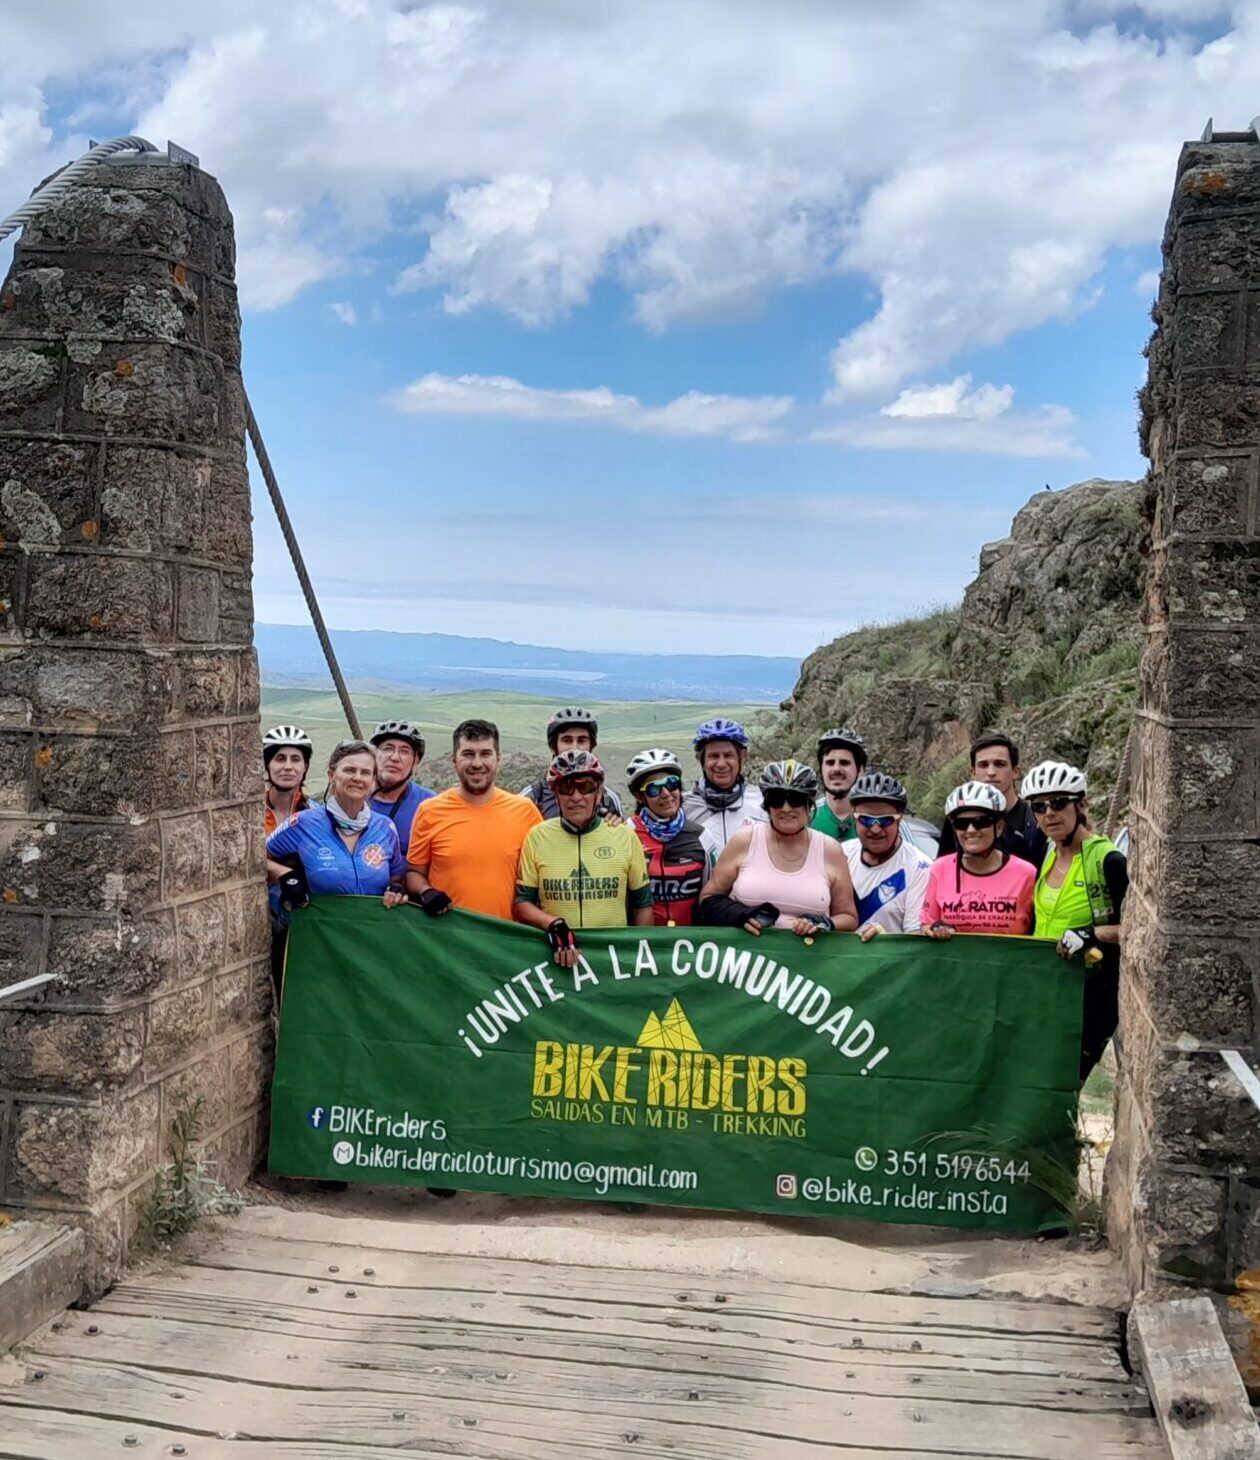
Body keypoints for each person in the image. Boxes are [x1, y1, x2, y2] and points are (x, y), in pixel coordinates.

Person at [1022, 760, 1127, 1081]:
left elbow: (1139, 931)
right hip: (1045, 989)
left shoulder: (1108, 860)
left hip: (1091, 993)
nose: (1049, 813)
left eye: (1058, 803)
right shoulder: (1047, 851)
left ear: (1081, 805)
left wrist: (1092, 934)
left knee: (1067, 1082)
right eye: (1039, 807)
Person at [514, 750, 652, 966]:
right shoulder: (537, 837)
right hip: (559, 957)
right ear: (556, 794)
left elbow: (642, 905)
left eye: (585, 787)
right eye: (566, 788)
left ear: (599, 792)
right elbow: (522, 903)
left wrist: (640, 956)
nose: (576, 797)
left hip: (613, 960)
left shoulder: (624, 836)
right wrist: (553, 924)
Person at [698, 761, 857, 937]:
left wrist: (825, 923)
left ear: (808, 804)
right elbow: (708, 899)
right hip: (749, 950)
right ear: (767, 806)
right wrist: (739, 914)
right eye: (777, 800)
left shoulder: (830, 850)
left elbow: (849, 917)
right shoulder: (744, 840)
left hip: (809, 951)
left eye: (795, 800)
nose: (786, 808)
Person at [405, 719, 542, 921]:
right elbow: (413, 873)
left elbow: (544, 873)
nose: (477, 763)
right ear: (454, 760)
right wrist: (426, 891)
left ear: (498, 759)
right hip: (449, 933)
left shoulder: (525, 811)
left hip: (507, 934)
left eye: (485, 754)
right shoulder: (430, 811)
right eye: (468, 754)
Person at [265, 739, 409, 907]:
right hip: (321, 923)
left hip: (372, 922)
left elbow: (396, 878)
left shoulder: (385, 827)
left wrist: (396, 891)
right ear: (331, 775)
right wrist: (284, 874)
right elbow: (257, 857)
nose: (357, 778)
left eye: (365, 773)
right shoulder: (302, 823)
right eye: (349, 770)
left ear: (372, 781)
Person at [922, 781, 1036, 938]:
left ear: (999, 827)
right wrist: (935, 929)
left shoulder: (1026, 874)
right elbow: (926, 925)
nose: (970, 830)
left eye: (981, 822)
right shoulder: (939, 868)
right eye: (961, 824)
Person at [625, 748, 718, 925]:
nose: (666, 794)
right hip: (643, 939)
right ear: (639, 796)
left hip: (690, 939)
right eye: (654, 789)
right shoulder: (627, 833)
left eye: (671, 783)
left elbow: (713, 896)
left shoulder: (702, 837)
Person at [843, 772, 932, 940]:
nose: (875, 829)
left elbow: (914, 937)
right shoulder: (841, 855)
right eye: (866, 820)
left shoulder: (920, 868)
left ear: (900, 818)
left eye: (885, 821)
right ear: (853, 817)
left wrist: (885, 939)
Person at [935, 734, 1047, 868]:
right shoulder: (958, 819)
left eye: (1000, 764)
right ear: (973, 772)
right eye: (983, 765)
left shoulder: (1036, 819)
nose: (991, 772)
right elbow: (945, 868)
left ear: (1016, 771)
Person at [521, 707, 623, 821]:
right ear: (553, 747)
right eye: (567, 740)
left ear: (591, 746)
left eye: (582, 741)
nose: (575, 748)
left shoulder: (609, 800)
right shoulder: (532, 797)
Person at [682, 718, 767, 854]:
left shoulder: (762, 803)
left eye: (728, 755)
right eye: (713, 756)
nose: (721, 764)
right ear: (701, 760)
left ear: (742, 757)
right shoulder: (685, 807)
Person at [367, 719, 436, 851]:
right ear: (374, 755)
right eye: (388, 749)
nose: (395, 757)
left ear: (416, 761)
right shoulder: (354, 798)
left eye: (404, 751)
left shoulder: (430, 804)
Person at [811, 726, 867, 842]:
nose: (836, 769)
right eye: (830, 763)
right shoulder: (807, 817)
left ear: (860, 770)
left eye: (844, 763)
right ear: (821, 770)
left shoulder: (882, 819)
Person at [263, 725, 313, 835]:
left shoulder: (315, 815)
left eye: (295, 759)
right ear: (267, 765)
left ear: (305, 766)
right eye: (280, 759)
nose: (288, 767)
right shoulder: (251, 813)